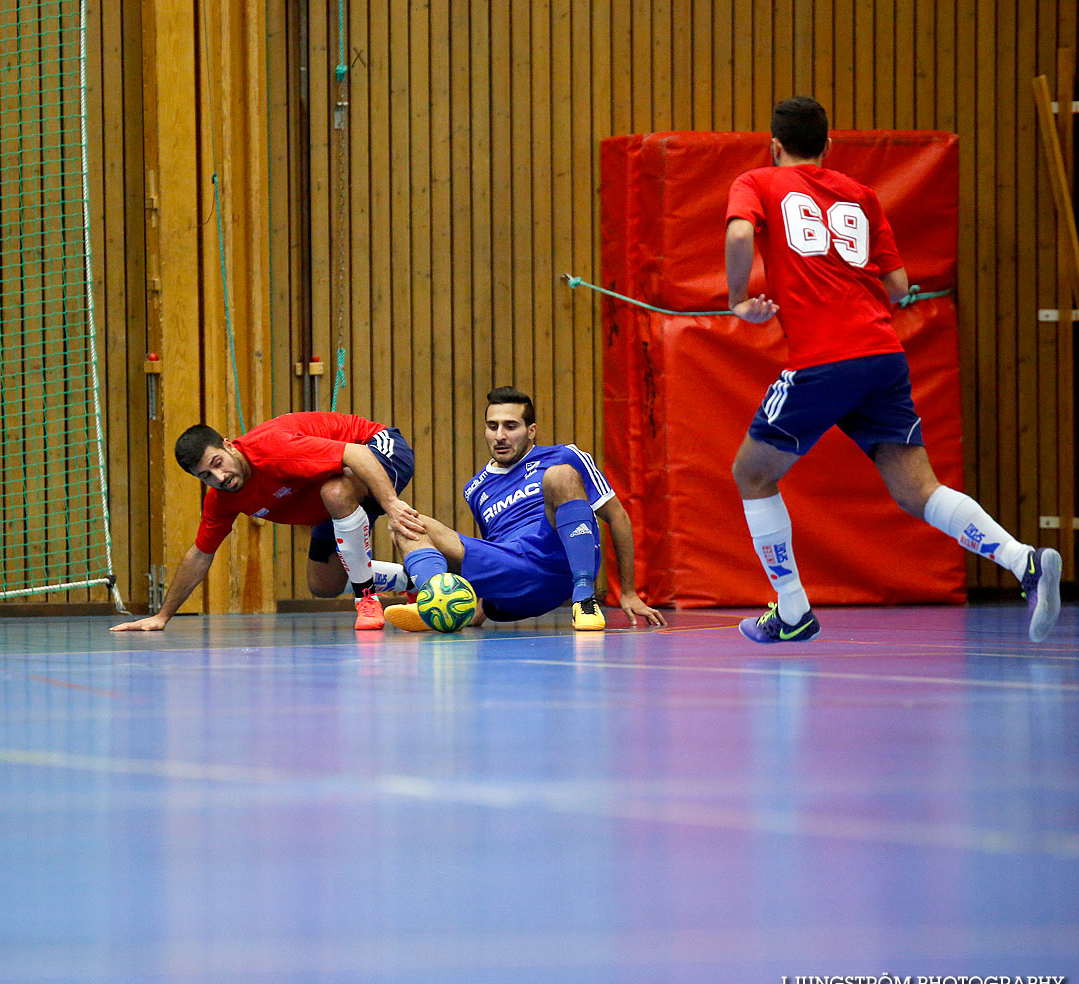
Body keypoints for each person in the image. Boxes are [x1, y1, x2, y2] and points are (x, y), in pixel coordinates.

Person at [725, 95, 1061, 643]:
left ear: (774, 145)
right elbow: (899, 286)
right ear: (828, 147)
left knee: (751, 474)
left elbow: (741, 234)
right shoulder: (861, 195)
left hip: (822, 359)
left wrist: (740, 298)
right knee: (916, 490)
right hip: (882, 356)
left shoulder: (756, 180)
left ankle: (791, 610)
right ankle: (1023, 559)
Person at [383, 386, 667, 632]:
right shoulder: (475, 488)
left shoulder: (564, 456)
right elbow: (494, 547)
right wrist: (477, 609)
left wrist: (628, 592)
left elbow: (616, 516)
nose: (500, 435)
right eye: (492, 426)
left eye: (510, 426)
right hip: (515, 579)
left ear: (531, 431)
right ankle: (439, 603)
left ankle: (584, 600)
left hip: (558, 564)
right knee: (405, 520)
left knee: (560, 475)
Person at [110, 413, 421, 632]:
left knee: (336, 491)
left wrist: (392, 506)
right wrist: (163, 615)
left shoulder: (273, 450)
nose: (220, 478)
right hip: (332, 494)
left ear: (229, 445)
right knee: (323, 584)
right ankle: (415, 580)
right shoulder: (222, 498)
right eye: (206, 476)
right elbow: (200, 554)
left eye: (218, 463)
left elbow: (356, 454)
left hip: (378, 449)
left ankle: (366, 597)